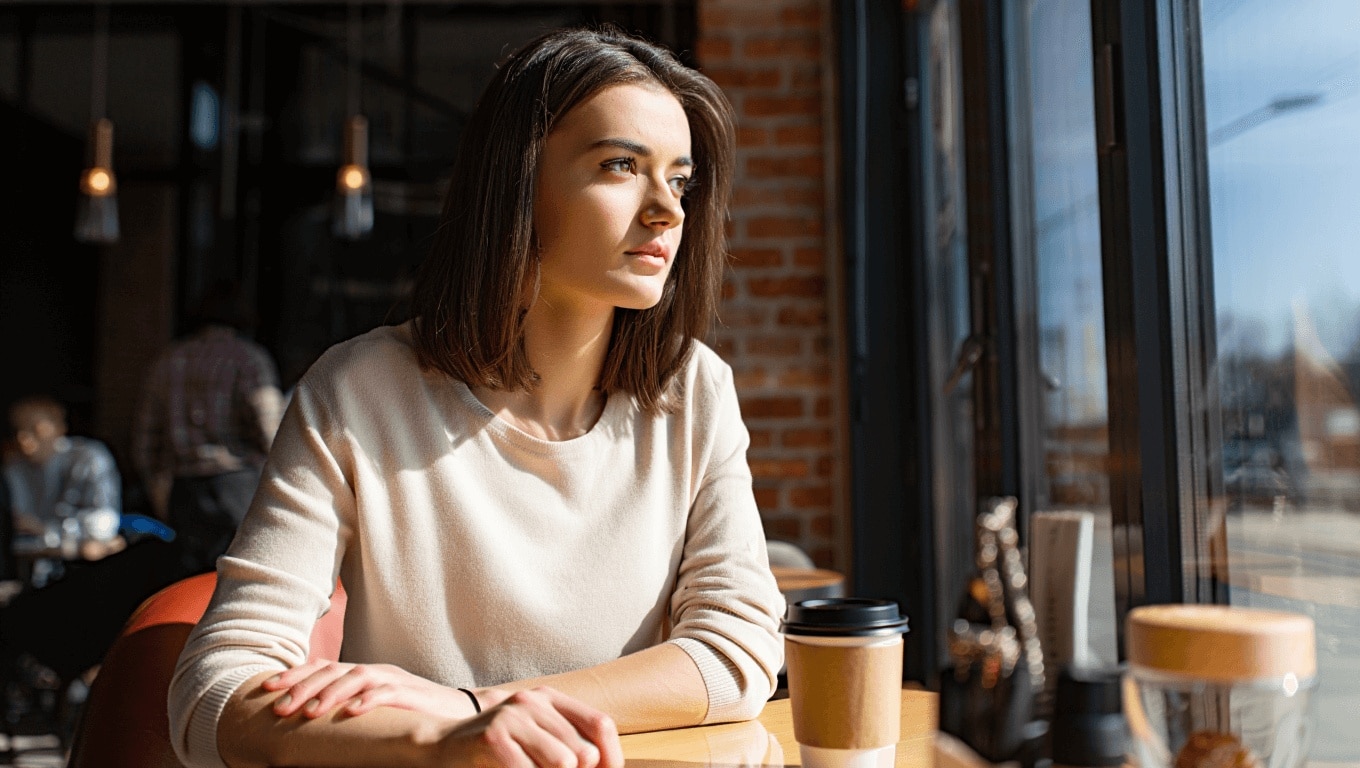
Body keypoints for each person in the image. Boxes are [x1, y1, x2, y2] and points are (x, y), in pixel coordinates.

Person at [168, 26, 785, 768]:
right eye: (621, 165)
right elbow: (212, 694)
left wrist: (470, 705)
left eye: (679, 180)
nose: (667, 210)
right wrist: (438, 739)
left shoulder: (695, 391)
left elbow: (739, 652)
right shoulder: (360, 393)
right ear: (516, 183)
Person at [132, 282, 284, 575]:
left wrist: (158, 491)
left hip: (184, 488)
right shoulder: (248, 358)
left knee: (190, 579)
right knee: (239, 574)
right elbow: (271, 433)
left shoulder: (169, 360)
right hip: (237, 484)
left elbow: (146, 441)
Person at [3, 396, 123, 573]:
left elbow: (102, 526)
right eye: (19, 430)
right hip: (36, 572)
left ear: (60, 428)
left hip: (85, 570)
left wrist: (45, 532)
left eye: (37, 429)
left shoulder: (89, 459)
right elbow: (18, 535)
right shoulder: (14, 468)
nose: (24, 438)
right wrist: (73, 545)